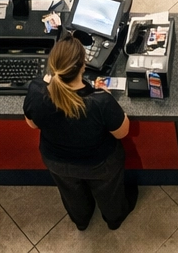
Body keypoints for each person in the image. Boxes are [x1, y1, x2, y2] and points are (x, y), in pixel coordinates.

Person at [23, 36, 137, 230]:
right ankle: (114, 218)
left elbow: (32, 124)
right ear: (83, 66)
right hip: (99, 163)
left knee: (70, 191)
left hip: (57, 160)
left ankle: (81, 220)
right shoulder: (100, 101)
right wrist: (107, 97)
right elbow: (122, 132)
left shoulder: (37, 92)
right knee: (109, 192)